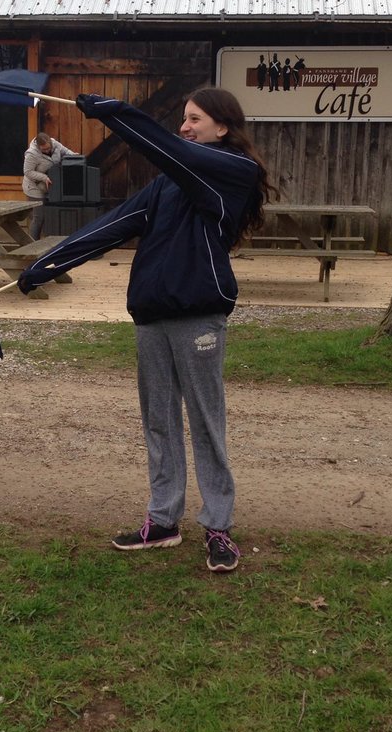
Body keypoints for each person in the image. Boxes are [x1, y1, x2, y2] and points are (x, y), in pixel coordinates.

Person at [17, 88, 272, 573]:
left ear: (223, 127)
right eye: (182, 118)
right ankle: (163, 520)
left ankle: (218, 525)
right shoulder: (167, 185)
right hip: (152, 315)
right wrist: (44, 265)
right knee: (159, 419)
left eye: (194, 118)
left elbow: (171, 150)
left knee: (204, 420)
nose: (184, 126)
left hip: (198, 314)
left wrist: (117, 115)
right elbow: (113, 225)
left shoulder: (234, 173)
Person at [22, 132, 79, 240]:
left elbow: (65, 151)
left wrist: (74, 157)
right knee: (39, 217)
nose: (47, 151)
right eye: (44, 150)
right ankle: (32, 245)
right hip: (34, 187)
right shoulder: (31, 154)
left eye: (48, 148)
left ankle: (45, 243)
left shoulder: (55, 144)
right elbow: (27, 172)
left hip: (50, 186)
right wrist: (44, 177)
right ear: (38, 147)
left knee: (48, 215)